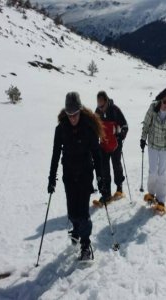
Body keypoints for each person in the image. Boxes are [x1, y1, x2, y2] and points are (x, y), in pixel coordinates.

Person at [48, 92, 107, 261]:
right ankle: (75, 229)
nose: (72, 118)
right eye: (69, 114)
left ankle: (86, 245)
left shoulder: (89, 128)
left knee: (83, 213)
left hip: (85, 174)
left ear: (80, 110)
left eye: (75, 114)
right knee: (72, 212)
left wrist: (100, 178)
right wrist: (52, 178)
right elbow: (55, 154)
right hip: (68, 174)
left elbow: (96, 154)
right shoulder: (61, 129)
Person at [140, 88, 166, 213]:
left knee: (161, 172)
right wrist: (143, 139)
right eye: (164, 102)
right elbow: (146, 124)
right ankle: (151, 193)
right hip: (153, 144)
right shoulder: (153, 108)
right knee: (153, 171)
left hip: (165, 146)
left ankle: (161, 200)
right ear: (160, 100)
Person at [95, 91, 128, 204]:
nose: (100, 107)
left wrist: (121, 135)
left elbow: (125, 125)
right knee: (104, 169)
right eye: (98, 104)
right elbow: (94, 128)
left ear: (106, 101)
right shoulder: (97, 112)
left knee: (116, 165)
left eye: (102, 105)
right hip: (103, 145)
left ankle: (119, 188)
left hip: (115, 144)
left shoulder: (115, 110)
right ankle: (107, 193)